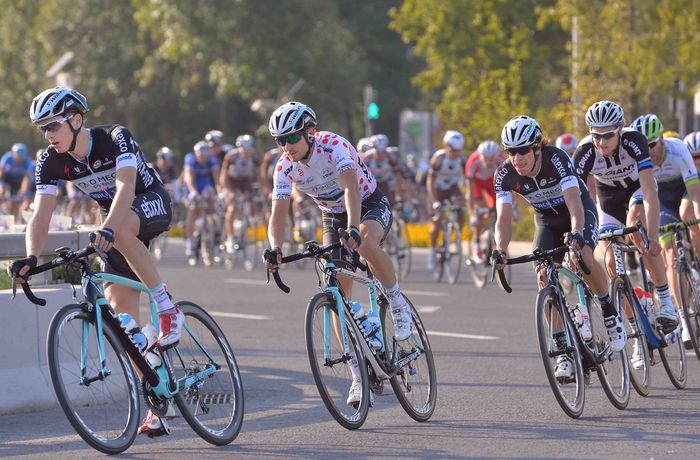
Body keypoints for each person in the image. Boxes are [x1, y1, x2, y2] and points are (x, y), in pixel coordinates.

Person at [7, 87, 181, 437]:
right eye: (43, 129)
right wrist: (28, 256)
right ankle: (159, 402)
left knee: (125, 230)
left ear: (76, 120)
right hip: (113, 219)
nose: (48, 135)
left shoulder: (114, 138)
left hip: (148, 201)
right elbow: (40, 215)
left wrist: (108, 229)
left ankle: (167, 308)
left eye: (53, 125)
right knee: (124, 325)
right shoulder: (50, 160)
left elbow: (126, 188)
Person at [264, 101, 413, 406]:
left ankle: (397, 302)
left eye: (292, 138)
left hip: (368, 204)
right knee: (335, 296)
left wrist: (356, 227)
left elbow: (351, 189)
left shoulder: (333, 146)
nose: (287, 147)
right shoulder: (284, 166)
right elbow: (278, 213)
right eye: (280, 141)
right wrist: (275, 248)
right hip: (332, 217)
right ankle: (358, 377)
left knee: (368, 244)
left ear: (310, 132)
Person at [493, 115, 626, 380]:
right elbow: (504, 217)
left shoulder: (556, 159)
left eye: (522, 151)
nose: (517, 157)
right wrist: (501, 248)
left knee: (583, 255)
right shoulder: (504, 174)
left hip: (577, 212)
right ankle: (563, 350)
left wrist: (577, 232)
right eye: (511, 151)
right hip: (546, 222)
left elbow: (575, 201)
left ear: (537, 148)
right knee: (543, 278)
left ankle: (609, 310)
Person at [572, 101, 678, 367]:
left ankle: (665, 301)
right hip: (609, 200)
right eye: (597, 135)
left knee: (638, 232)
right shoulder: (585, 151)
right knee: (609, 262)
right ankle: (636, 332)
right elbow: (576, 199)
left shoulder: (634, 141)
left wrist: (652, 237)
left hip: (638, 192)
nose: (602, 141)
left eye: (608, 135)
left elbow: (651, 194)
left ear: (619, 129)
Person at [631, 114, 700, 348]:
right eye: (643, 146)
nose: (648, 150)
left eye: (651, 145)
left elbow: (695, 191)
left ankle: (698, 260)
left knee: (689, 215)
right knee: (669, 253)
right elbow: (639, 200)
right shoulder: (637, 160)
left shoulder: (678, 150)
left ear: (661, 139)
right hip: (661, 201)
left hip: (684, 191)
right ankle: (681, 316)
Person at [426, 130, 468, 270]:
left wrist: (467, 195)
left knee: (461, 208)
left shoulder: (462, 159)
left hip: (452, 188)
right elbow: (430, 182)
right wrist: (435, 201)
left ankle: (455, 237)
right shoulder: (438, 159)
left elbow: (468, 179)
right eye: (454, 150)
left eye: (459, 150)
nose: (456, 153)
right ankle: (432, 251)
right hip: (437, 190)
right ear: (447, 147)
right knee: (437, 220)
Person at [220, 134, 260, 254]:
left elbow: (259, 175)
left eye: (249, 149)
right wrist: (228, 191)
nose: (247, 152)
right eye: (244, 149)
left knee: (253, 205)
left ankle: (245, 226)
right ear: (239, 148)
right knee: (232, 207)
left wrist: (261, 188)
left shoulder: (254, 157)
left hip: (245, 183)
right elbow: (223, 176)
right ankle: (230, 238)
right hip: (231, 182)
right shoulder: (231, 156)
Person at [465, 140, 504, 260]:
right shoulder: (473, 162)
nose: (489, 162)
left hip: (492, 185)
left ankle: (491, 237)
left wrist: (512, 207)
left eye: (492, 159)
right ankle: (477, 244)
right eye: (486, 158)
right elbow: (470, 192)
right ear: (481, 155)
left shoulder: (501, 162)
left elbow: (507, 187)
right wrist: (472, 213)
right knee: (479, 213)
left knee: (499, 212)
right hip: (477, 185)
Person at [183, 140, 220, 259]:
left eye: (205, 156)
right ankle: (189, 241)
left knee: (211, 202)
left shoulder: (212, 160)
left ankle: (212, 229)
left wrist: (219, 192)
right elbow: (189, 177)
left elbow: (216, 178)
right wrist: (193, 191)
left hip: (205, 184)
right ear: (196, 154)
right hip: (192, 185)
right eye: (200, 156)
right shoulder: (190, 159)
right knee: (193, 210)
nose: (203, 158)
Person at [0, 143, 34, 219]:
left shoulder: (28, 162)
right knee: (1, 193)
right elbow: (1, 174)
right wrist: (2, 190)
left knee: (16, 202)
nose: (19, 158)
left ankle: (14, 219)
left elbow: (27, 179)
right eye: (18, 156)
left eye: (21, 156)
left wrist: (23, 192)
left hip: (19, 181)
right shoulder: (7, 158)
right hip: (7, 179)